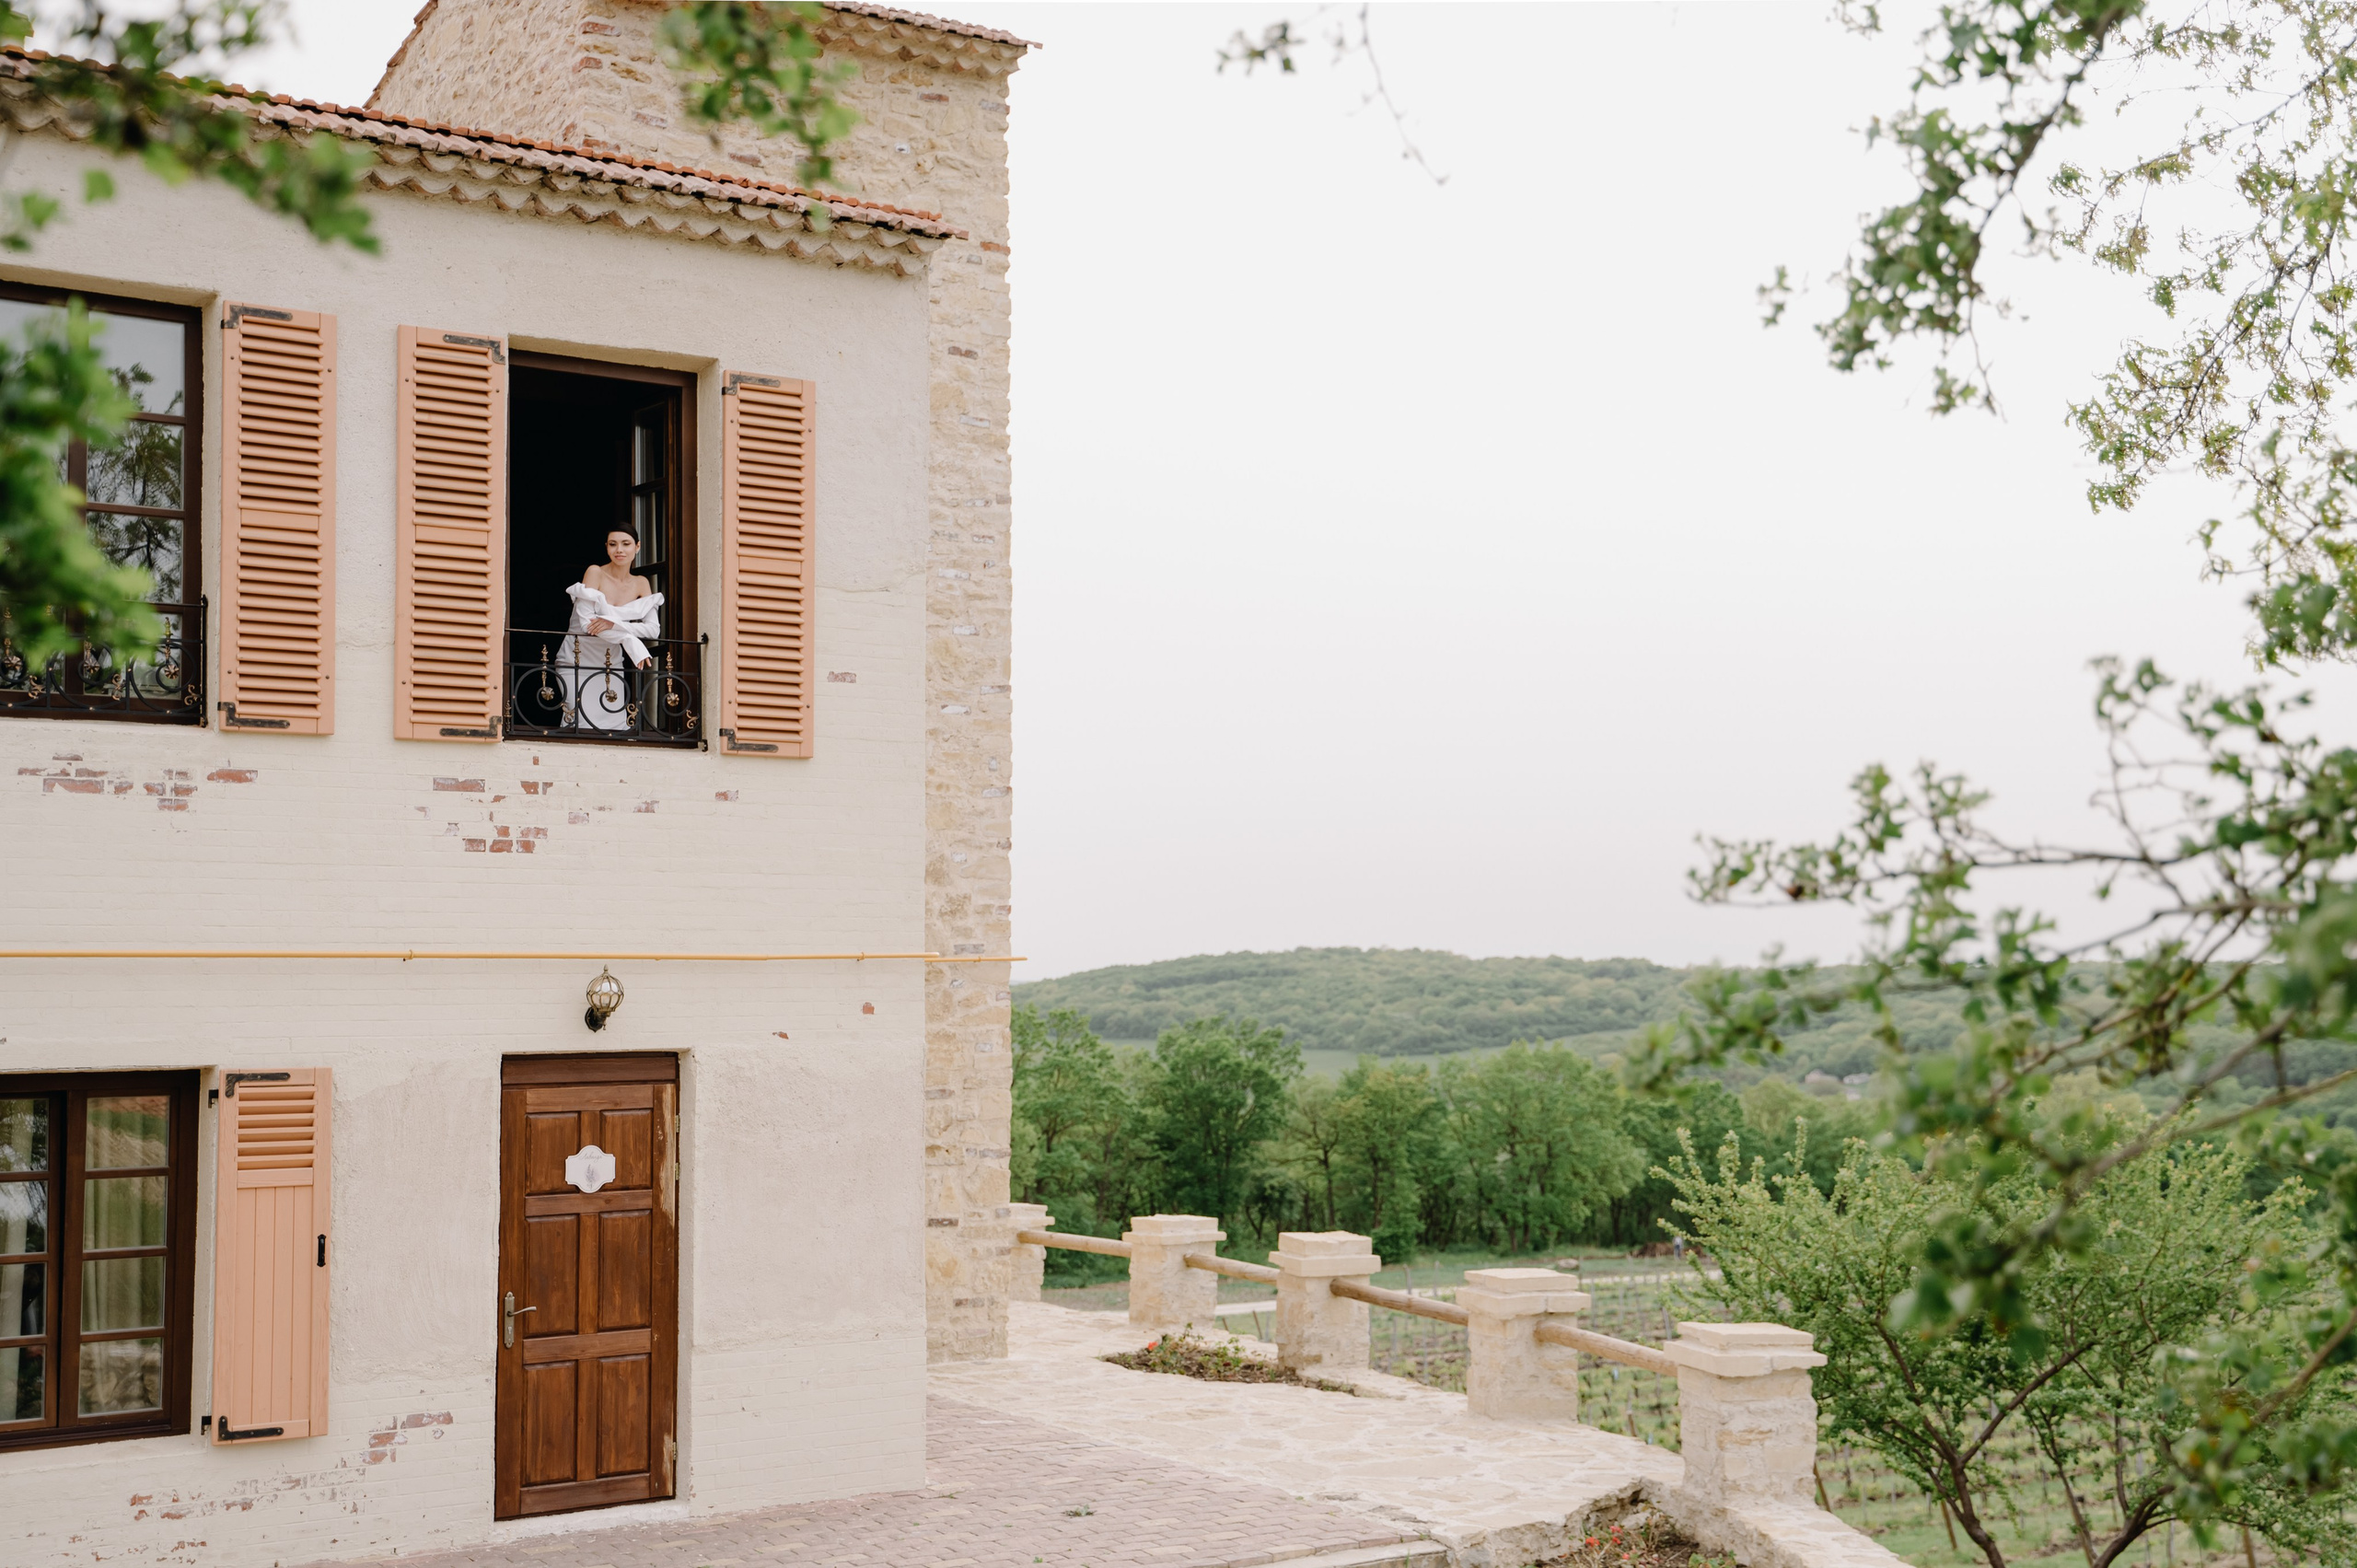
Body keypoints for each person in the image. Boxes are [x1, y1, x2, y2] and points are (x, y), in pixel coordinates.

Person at [559, 526, 664, 731]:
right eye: (613, 544)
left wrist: (613, 624)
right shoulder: (595, 572)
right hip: (577, 658)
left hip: (611, 662)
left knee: (613, 727)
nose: (620, 550)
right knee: (578, 724)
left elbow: (653, 630)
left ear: (638, 547)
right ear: (606, 547)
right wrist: (629, 638)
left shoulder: (641, 583)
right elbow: (587, 624)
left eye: (626, 544)